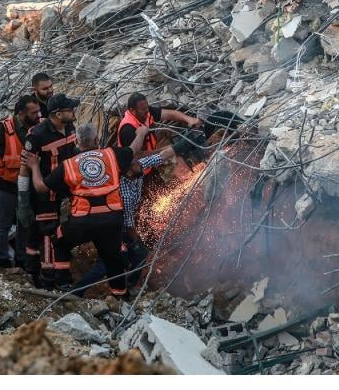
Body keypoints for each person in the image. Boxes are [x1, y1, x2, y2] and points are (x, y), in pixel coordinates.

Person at [23, 123, 149, 297]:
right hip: (111, 221)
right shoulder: (112, 154)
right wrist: (141, 132)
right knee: (113, 258)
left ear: (77, 143)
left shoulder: (68, 165)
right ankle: (120, 296)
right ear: (97, 140)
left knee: (59, 241)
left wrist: (34, 166)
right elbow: (134, 148)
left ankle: (64, 284)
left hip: (82, 222)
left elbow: (40, 187)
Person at [72, 131, 201, 296]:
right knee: (108, 263)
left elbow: (160, 156)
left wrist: (183, 144)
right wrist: (137, 242)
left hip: (120, 224)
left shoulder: (136, 167)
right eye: (136, 165)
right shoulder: (124, 194)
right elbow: (128, 225)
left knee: (137, 256)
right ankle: (78, 291)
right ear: (129, 173)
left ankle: (128, 285)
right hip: (111, 228)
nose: (141, 165)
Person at [17, 94, 79, 290]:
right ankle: (48, 278)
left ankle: (34, 270)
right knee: (47, 234)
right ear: (58, 114)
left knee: (44, 233)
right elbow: (24, 169)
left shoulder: (70, 127)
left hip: (64, 191)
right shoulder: (37, 135)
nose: (73, 112)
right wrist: (23, 201)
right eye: (69, 109)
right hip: (44, 194)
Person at [0, 95, 41, 267]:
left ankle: (21, 258)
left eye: (38, 112)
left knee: (24, 222)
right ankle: (2, 258)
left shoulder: (39, 126)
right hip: (7, 184)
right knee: (4, 222)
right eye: (33, 112)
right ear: (21, 113)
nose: (38, 115)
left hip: (28, 185)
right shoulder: (2, 129)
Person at [117, 92, 201, 172]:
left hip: (149, 164)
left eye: (147, 107)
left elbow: (170, 114)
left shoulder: (146, 111)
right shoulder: (127, 129)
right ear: (132, 110)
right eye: (143, 109)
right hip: (136, 171)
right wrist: (167, 150)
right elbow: (137, 156)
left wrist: (189, 119)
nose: (147, 111)